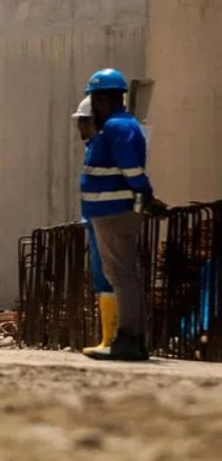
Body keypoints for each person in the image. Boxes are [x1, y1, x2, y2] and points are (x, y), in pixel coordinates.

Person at [81, 68, 166, 361]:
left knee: (121, 275)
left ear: (103, 98)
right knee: (123, 274)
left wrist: (144, 191)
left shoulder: (117, 127)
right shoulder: (121, 125)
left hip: (113, 212)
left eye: (93, 99)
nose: (91, 106)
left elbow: (131, 169)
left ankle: (129, 338)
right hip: (111, 211)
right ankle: (128, 338)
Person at [72, 96, 117, 357]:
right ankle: (107, 337)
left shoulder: (106, 146)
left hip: (106, 218)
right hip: (95, 218)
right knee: (102, 279)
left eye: (84, 122)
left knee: (112, 277)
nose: (80, 127)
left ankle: (113, 337)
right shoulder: (94, 147)